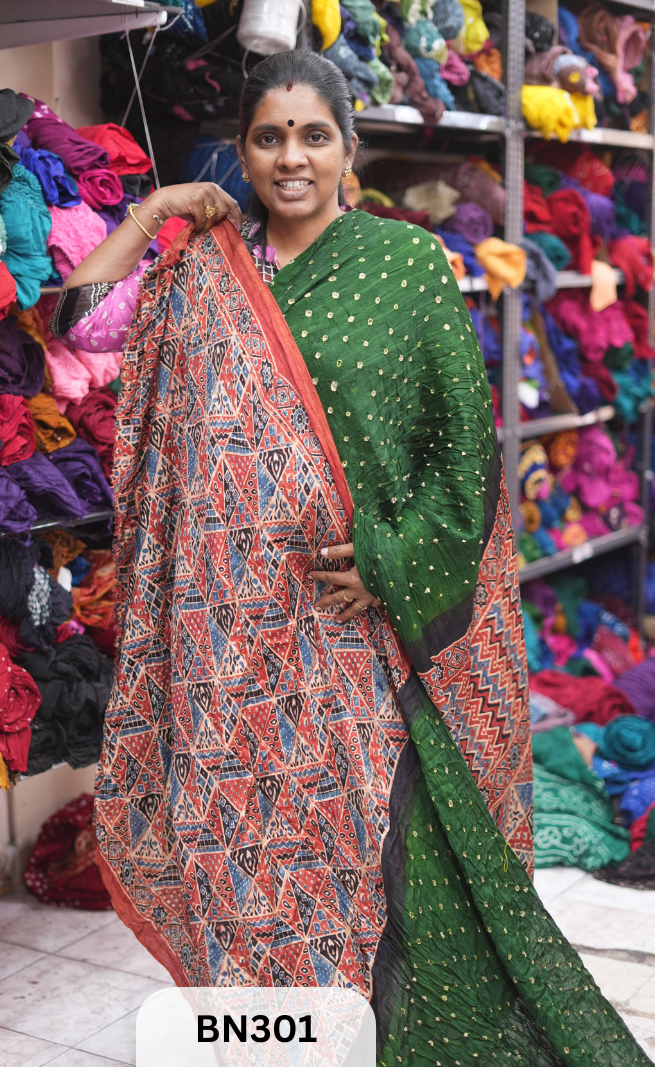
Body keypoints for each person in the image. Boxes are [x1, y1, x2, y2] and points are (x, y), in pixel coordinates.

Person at [52, 49, 646, 1066]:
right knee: (248, 867)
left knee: (384, 866)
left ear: (347, 148)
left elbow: (461, 451)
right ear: (242, 150)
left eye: (312, 136)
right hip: (231, 649)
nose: (291, 158)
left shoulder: (404, 266)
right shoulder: (202, 263)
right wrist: (152, 215)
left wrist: (387, 557)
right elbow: (77, 329)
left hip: (358, 631)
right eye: (269, 136)